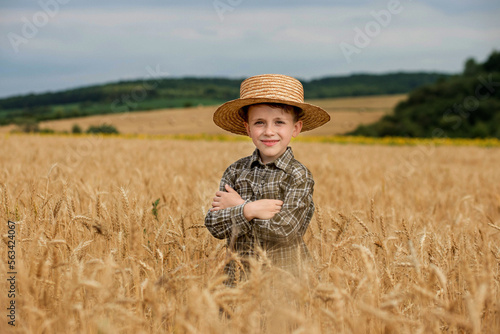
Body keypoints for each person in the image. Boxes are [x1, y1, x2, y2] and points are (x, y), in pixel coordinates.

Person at [205, 74, 330, 287]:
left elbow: (285, 231)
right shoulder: (235, 171)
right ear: (247, 128)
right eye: (259, 122)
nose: (269, 131)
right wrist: (251, 209)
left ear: (296, 128)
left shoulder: (298, 175)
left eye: (279, 122)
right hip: (237, 281)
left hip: (286, 284)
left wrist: (238, 207)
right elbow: (215, 225)